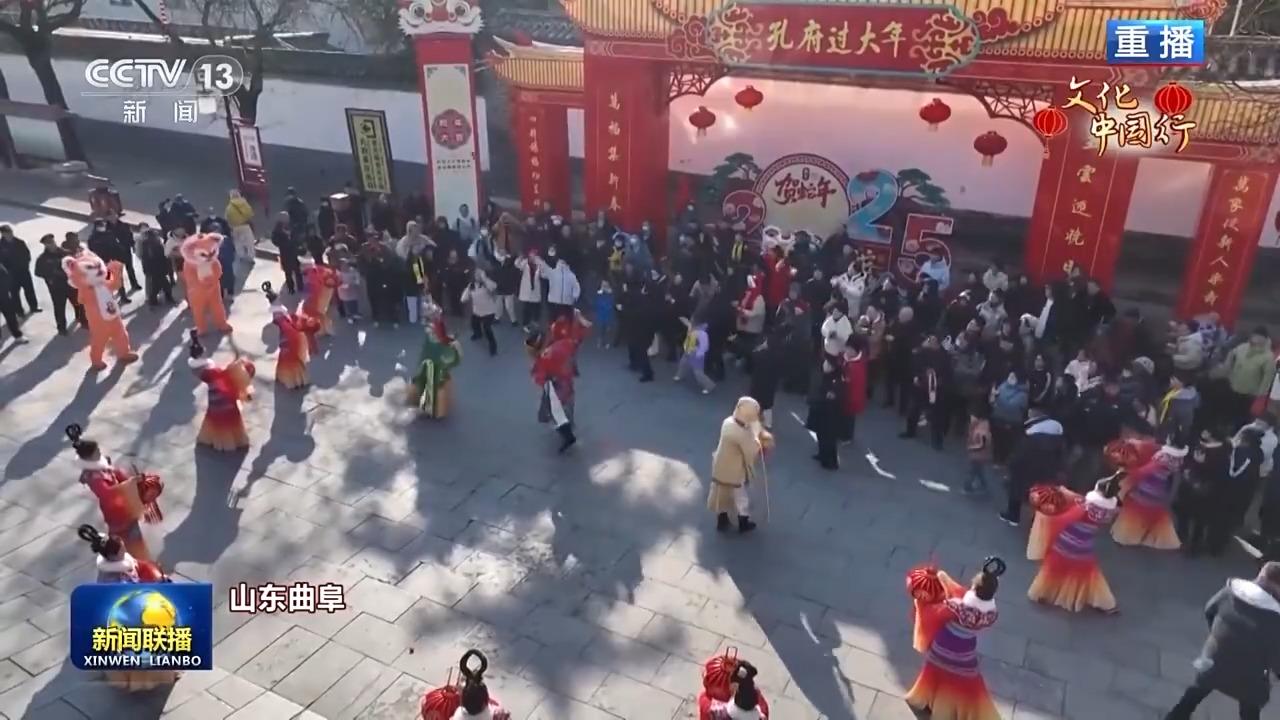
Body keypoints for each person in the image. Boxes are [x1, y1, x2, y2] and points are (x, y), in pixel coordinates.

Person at [1163, 562, 1280, 720]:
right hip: (1248, 677)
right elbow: (1276, 657)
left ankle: (1175, 716)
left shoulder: (1230, 592)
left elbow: (1209, 610)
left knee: (1197, 690)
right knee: (1250, 705)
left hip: (1214, 659)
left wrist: (1218, 635)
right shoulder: (1275, 619)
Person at [903, 556, 1006, 720]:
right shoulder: (991, 614)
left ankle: (927, 699)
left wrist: (921, 601)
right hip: (966, 649)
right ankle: (950, 709)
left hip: (943, 643)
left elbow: (939, 607)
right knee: (966, 678)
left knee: (934, 673)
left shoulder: (957, 605)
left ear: (973, 587)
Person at [1025, 473, 1123, 613]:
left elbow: (1062, 517)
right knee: (1091, 576)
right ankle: (1106, 604)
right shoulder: (1109, 511)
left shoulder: (1082, 506)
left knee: (1052, 570)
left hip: (1065, 543)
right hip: (1084, 548)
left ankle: (1043, 593)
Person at [66, 423, 160, 563]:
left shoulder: (101, 465)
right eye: (96, 452)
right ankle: (139, 561)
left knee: (130, 535)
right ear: (89, 458)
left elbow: (116, 473)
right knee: (128, 536)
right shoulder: (94, 478)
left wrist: (132, 480)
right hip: (116, 511)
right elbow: (106, 493)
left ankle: (135, 558)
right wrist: (129, 484)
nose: (100, 452)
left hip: (123, 505)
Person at [708, 397, 773, 533]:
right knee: (741, 496)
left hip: (721, 465)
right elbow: (751, 450)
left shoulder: (728, 422)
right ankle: (743, 522)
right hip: (734, 471)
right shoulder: (740, 434)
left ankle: (722, 519)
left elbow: (750, 428)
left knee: (721, 493)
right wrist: (763, 443)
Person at [62, 250, 137, 368]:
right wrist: (82, 284)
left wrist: (115, 270)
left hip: (113, 315)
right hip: (99, 321)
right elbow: (81, 298)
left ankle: (124, 353)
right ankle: (96, 361)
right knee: (99, 340)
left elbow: (115, 284)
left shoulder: (103, 283)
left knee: (121, 334)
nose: (99, 271)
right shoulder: (85, 289)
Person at [1110, 441, 1187, 549]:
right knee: (1146, 516)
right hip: (1157, 491)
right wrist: (1171, 494)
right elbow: (1174, 478)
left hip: (1145, 488)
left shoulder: (1159, 456)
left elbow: (1143, 471)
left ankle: (1125, 538)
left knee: (1133, 514)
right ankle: (1138, 537)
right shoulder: (1176, 462)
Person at [1000, 408, 1065, 526]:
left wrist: (1010, 465)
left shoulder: (1030, 435)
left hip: (1025, 469)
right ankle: (1036, 521)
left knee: (1016, 490)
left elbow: (1019, 454)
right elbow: (1060, 455)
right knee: (1042, 496)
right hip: (1047, 471)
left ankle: (1013, 516)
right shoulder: (1057, 434)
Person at [188, 331, 252, 451]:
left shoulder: (200, 370)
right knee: (229, 417)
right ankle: (233, 440)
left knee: (216, 418)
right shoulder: (212, 371)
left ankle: (216, 438)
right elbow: (225, 376)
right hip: (223, 395)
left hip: (215, 396)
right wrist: (237, 366)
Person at [1175, 426, 1232, 556]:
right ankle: (1189, 542)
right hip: (1198, 489)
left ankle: (1190, 544)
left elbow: (1217, 474)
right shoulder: (1206, 447)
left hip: (1203, 491)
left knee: (1195, 518)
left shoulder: (1219, 453)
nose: (1203, 432)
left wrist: (1198, 465)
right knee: (1194, 518)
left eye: (1206, 431)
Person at [530, 326, 579, 452]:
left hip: (555, 387)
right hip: (567, 383)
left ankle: (568, 436)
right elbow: (573, 346)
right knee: (568, 406)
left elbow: (540, 378)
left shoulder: (543, 358)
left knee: (557, 413)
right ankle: (569, 424)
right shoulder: (562, 344)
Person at [263, 282, 319, 389]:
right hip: (290, 340)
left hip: (287, 341)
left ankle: (289, 379)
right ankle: (297, 380)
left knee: (288, 361)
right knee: (294, 361)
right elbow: (287, 327)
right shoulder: (280, 316)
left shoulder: (278, 315)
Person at [1220, 328, 1277, 428]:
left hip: (1250, 392)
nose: (1256, 338)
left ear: (1265, 339)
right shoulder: (1242, 347)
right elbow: (1231, 356)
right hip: (1234, 386)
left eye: (1260, 337)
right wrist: (1227, 371)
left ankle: (1238, 429)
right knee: (1229, 411)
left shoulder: (1268, 356)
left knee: (1242, 415)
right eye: (1255, 335)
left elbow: (1268, 376)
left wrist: (1261, 392)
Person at [902, 334, 951, 449]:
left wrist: (937, 381)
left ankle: (937, 441)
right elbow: (914, 366)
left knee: (937, 415)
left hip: (937, 389)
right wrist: (918, 376)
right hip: (921, 385)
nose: (929, 342)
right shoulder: (922, 352)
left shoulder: (944, 356)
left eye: (933, 340)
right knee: (914, 409)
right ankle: (910, 431)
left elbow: (947, 372)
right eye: (929, 339)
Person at [180, 234, 233, 335]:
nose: (209, 257)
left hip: (214, 288)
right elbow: (190, 278)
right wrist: (204, 283)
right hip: (197, 292)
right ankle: (201, 328)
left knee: (217, 306)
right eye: (203, 255)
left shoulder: (213, 261)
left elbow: (218, 271)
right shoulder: (189, 264)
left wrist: (213, 281)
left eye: (211, 253)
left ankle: (221, 324)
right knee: (198, 310)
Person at [807, 353, 845, 470]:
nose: (825, 365)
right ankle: (822, 454)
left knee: (829, 438)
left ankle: (830, 461)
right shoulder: (824, 376)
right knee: (821, 435)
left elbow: (835, 394)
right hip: (820, 410)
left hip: (829, 414)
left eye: (827, 364)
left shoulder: (836, 379)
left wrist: (832, 394)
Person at [33, 234, 73, 334]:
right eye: (48, 243)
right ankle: (61, 328)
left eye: (52, 242)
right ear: (45, 245)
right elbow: (37, 272)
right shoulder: (42, 259)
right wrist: (49, 276)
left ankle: (82, 319)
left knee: (78, 302)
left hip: (70, 284)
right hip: (56, 287)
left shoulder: (65, 253)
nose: (51, 244)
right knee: (59, 308)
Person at [0, 224, 38, 315]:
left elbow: (27, 254)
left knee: (29, 289)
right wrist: (7, 270)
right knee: (14, 293)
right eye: (7, 232)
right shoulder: (1, 246)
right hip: (11, 274)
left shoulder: (20, 242)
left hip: (23, 271)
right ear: (3, 234)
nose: (10, 234)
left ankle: (34, 307)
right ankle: (19, 310)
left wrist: (26, 264)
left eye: (10, 232)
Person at [462, 268, 499, 357]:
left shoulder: (487, 284)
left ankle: (493, 347)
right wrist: (464, 297)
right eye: (476, 275)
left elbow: (494, 286)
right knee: (474, 324)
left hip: (489, 311)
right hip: (477, 311)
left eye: (480, 275)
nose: (478, 277)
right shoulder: (471, 286)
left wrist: (484, 279)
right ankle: (478, 334)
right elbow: (464, 298)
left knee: (487, 329)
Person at [537, 246, 580, 322]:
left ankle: (556, 325)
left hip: (560, 301)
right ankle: (555, 325)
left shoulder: (567, 275)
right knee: (558, 318)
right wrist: (575, 296)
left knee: (560, 319)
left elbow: (576, 286)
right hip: (562, 301)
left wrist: (575, 296)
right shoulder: (567, 274)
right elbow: (576, 286)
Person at [674, 316, 715, 394]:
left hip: (696, 355)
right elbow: (688, 327)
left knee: (698, 372)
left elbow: (704, 347)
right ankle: (680, 375)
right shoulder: (693, 329)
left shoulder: (702, 334)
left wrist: (698, 354)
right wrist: (685, 321)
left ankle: (709, 385)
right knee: (683, 364)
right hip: (688, 352)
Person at [136, 228, 175, 307]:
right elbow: (162, 257)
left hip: (154, 269)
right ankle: (162, 298)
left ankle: (155, 300)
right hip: (157, 269)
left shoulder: (146, 244)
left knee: (158, 285)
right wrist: (166, 268)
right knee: (162, 285)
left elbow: (145, 259)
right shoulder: (155, 244)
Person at [841, 335, 868, 443]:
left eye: (850, 349)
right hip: (844, 394)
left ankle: (847, 436)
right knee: (843, 416)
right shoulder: (846, 359)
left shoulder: (857, 365)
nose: (847, 351)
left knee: (849, 418)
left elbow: (856, 383)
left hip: (851, 397)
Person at [271, 213, 304, 294]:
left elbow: (295, 236)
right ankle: (291, 288)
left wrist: (297, 243)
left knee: (297, 270)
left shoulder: (291, 226)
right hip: (285, 253)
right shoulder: (277, 231)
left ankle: (300, 286)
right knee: (288, 272)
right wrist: (285, 243)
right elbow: (275, 241)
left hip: (293, 252)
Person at [964, 404, 993, 495]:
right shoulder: (981, 426)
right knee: (979, 471)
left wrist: (971, 448)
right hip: (980, 455)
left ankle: (967, 488)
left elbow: (982, 444)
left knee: (972, 472)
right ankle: (984, 486)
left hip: (978, 455)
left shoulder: (981, 430)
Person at [225, 189, 256, 263]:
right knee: (249, 242)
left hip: (235, 227)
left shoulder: (229, 207)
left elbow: (227, 218)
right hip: (245, 225)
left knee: (238, 242)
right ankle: (250, 257)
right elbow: (250, 213)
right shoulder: (244, 204)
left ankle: (241, 256)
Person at [593, 279, 616, 348]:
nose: (604, 286)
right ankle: (600, 341)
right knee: (600, 328)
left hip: (608, 313)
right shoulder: (599, 292)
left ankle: (607, 342)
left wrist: (610, 293)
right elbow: (596, 301)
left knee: (608, 329)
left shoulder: (611, 293)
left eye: (606, 284)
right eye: (603, 284)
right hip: (601, 313)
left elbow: (612, 301)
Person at [217, 230, 237, 299]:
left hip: (225, 262)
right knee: (222, 279)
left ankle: (228, 294)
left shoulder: (226, 240)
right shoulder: (226, 240)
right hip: (223, 262)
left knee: (226, 278)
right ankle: (225, 294)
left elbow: (233, 250)